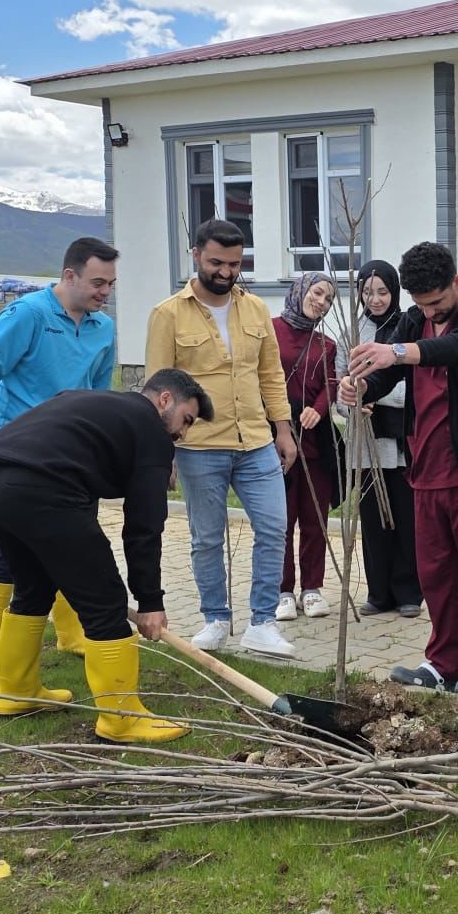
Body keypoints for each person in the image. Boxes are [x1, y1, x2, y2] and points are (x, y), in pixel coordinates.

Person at [0, 369, 213, 745]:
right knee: (105, 603)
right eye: (186, 420)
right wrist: (150, 602)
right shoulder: (150, 431)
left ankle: (17, 693)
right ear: (165, 400)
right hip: (38, 489)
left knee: (34, 587)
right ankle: (121, 719)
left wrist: (6, 508)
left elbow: (50, 447)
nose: (183, 434)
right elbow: (144, 528)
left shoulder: (91, 402)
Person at [345, 241, 458, 692]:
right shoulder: (414, 320)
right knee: (435, 575)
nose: (430, 313)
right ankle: (441, 666)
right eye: (420, 304)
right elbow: (387, 373)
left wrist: (397, 351)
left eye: (437, 302)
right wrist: (360, 388)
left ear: (457, 282)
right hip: (424, 472)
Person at [0, 236, 119, 680]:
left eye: (111, 284)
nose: (106, 292)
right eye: (98, 282)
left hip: (74, 458)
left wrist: (99, 448)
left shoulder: (104, 328)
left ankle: (72, 634)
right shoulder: (28, 314)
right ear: (69, 276)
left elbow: (97, 394)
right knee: (11, 551)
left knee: (76, 541)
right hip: (19, 456)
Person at [145, 218, 298, 659]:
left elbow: (270, 374)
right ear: (195, 255)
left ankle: (263, 622)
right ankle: (215, 618)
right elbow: (157, 392)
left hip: (255, 441)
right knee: (207, 537)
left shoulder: (254, 311)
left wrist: (282, 430)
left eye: (235, 263)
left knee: (273, 528)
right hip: (198, 447)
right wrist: (162, 454)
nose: (226, 272)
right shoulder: (167, 314)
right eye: (217, 262)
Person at [337, 260, 421, 617]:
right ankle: (378, 592)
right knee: (371, 519)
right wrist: (353, 405)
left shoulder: (407, 329)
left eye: (382, 291)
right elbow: (341, 391)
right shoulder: (352, 335)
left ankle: (409, 593)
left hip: (402, 441)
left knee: (405, 516)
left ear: (395, 291)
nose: (375, 299)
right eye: (367, 292)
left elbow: (411, 388)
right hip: (366, 441)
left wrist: (372, 393)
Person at [272, 272, 339, 622]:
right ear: (300, 291)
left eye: (328, 298)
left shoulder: (326, 344)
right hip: (276, 440)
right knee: (281, 518)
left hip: (314, 442)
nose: (321, 302)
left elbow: (331, 384)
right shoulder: (268, 331)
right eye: (317, 293)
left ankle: (311, 589)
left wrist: (319, 408)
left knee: (315, 518)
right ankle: (282, 590)